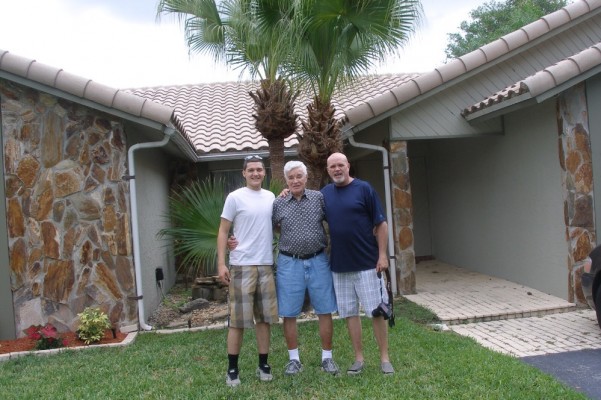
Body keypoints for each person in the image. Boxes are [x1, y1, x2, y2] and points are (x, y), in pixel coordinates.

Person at [321, 152, 394, 375]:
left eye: (340, 165)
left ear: (348, 166)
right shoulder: (325, 194)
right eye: (332, 166)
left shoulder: (364, 189)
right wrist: (285, 192)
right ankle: (359, 358)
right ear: (328, 170)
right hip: (340, 266)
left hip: (368, 263)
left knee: (377, 311)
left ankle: (384, 358)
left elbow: (381, 224)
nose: (337, 169)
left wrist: (382, 256)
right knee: (350, 313)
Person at [272, 160, 339, 376]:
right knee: (289, 312)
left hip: (318, 260)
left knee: (324, 309)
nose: (295, 181)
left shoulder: (319, 198)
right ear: (286, 180)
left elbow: (335, 220)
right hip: (289, 262)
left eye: (299, 176)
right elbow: (271, 227)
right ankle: (294, 360)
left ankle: (327, 358)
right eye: (291, 177)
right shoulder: (278, 203)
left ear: (306, 177)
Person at [216, 154, 278, 388]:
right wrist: (221, 263)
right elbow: (223, 231)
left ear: (264, 172)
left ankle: (263, 365)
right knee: (238, 321)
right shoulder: (235, 197)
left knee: (264, 319)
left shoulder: (271, 197)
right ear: (244, 173)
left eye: (259, 169)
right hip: (241, 265)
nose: (255, 173)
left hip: (265, 265)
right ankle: (232, 369)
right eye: (250, 170)